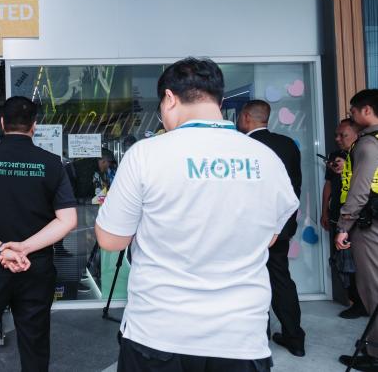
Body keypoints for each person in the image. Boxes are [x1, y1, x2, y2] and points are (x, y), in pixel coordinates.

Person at [95, 57, 299, 372]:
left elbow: (111, 240)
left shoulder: (146, 155)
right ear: (218, 100)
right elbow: (271, 237)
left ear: (169, 99)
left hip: (159, 332)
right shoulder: (266, 158)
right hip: (240, 336)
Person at [0, 97, 78, 371]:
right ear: (34, 126)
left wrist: (1, 250)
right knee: (35, 345)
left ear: (1, 124)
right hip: (34, 267)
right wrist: (24, 248)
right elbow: (68, 219)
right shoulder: (52, 163)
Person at [237, 99, 306, 357]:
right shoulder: (287, 144)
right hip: (281, 225)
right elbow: (295, 187)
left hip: (249, 228)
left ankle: (259, 338)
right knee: (280, 278)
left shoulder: (241, 145)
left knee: (250, 281)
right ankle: (295, 338)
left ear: (246, 117)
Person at [336, 89, 378, 371]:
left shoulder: (368, 144)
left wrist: (344, 225)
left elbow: (360, 191)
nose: (351, 116)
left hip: (371, 225)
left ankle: (375, 353)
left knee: (372, 287)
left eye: (353, 111)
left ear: (366, 111)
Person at [321, 119, 366, 319]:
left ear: (356, 135)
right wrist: (324, 211)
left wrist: (348, 167)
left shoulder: (365, 153)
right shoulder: (336, 156)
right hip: (338, 216)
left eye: (343, 135)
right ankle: (356, 302)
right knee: (341, 262)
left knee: (359, 264)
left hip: (359, 218)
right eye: (336, 135)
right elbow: (329, 185)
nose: (338, 139)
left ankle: (364, 304)